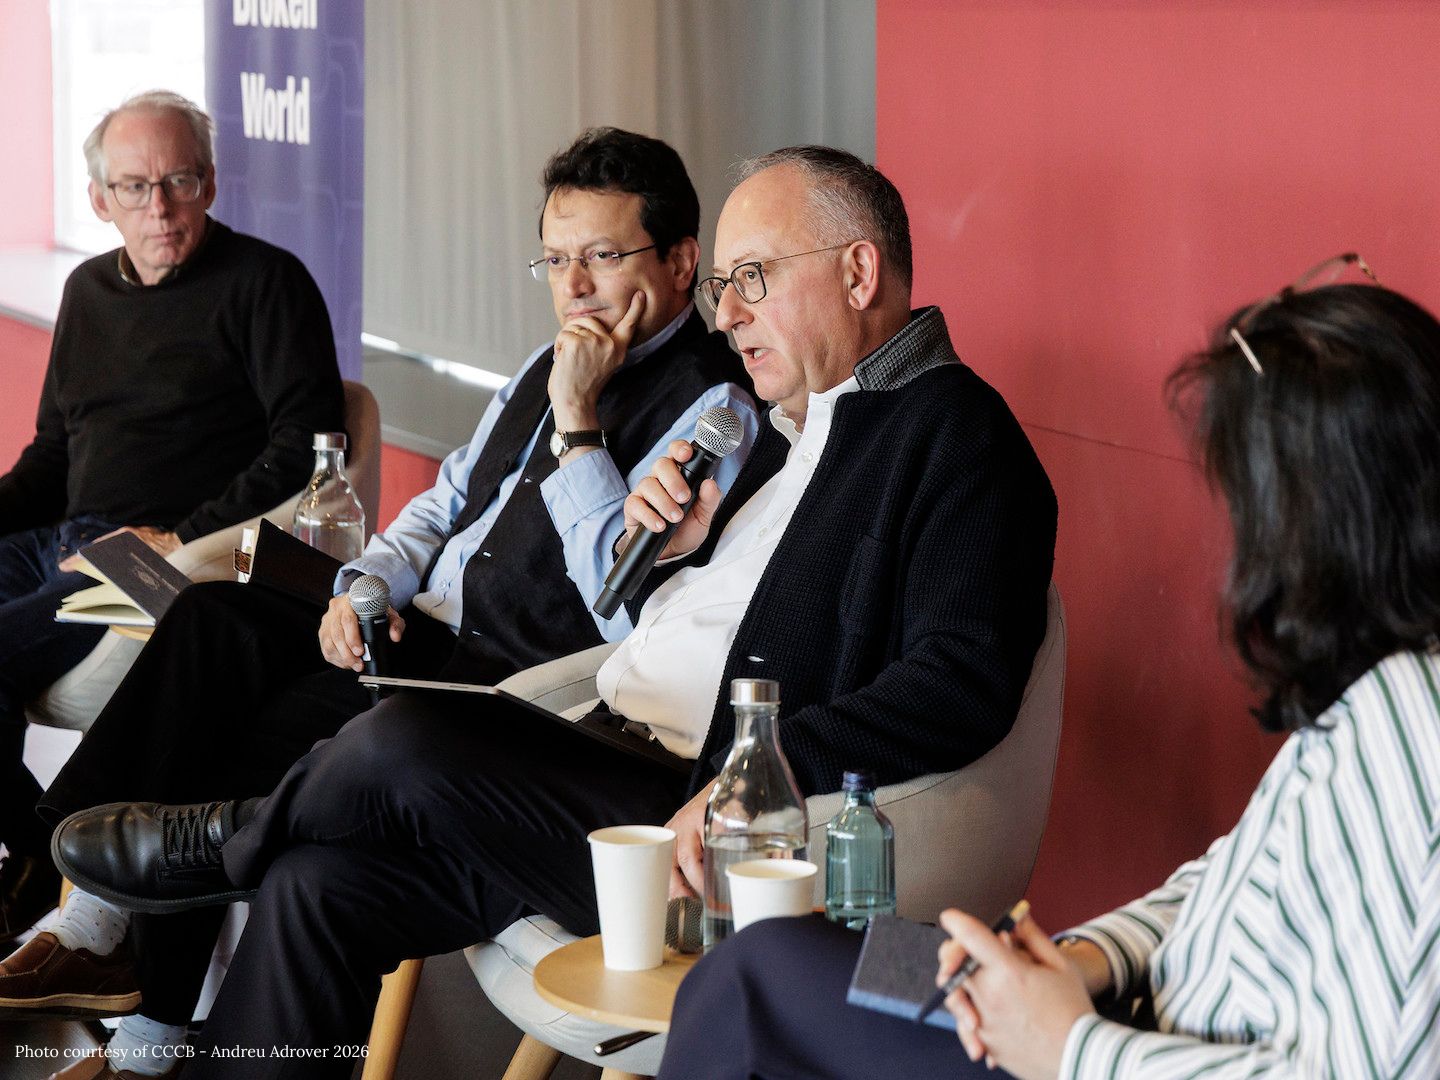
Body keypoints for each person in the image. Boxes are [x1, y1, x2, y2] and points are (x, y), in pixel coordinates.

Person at [52, 145, 1057, 1079]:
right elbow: (696, 626)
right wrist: (671, 554)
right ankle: (245, 863)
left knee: (403, 737)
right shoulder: (797, 431)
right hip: (600, 747)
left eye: (752, 278)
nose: (729, 315)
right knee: (314, 885)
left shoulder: (955, 434)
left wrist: (759, 770)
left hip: (700, 817)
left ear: (859, 273)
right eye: (726, 287)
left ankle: (220, 845)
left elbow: (959, 679)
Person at [0, 128, 757, 1077]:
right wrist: (363, 586)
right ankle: (95, 922)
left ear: (681, 262)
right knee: (214, 621)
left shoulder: (718, 408)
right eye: (556, 260)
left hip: (510, 695)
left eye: (603, 256)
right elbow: (442, 505)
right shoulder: (543, 364)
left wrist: (579, 421)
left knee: (222, 742)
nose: (574, 287)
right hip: (417, 635)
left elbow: (625, 603)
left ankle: (129, 1005)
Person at [656, 258, 1440, 1080]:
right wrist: (1077, 957)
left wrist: (1070, 1044)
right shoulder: (1376, 692)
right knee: (791, 947)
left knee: (754, 977)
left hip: (1101, 1053)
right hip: (1103, 1007)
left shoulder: (1408, 724)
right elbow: (1226, 881)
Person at [0, 89, 343, 946]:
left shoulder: (266, 283)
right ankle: (43, 853)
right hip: (63, 540)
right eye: (135, 186)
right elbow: (53, 456)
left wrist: (182, 538)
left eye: (179, 181)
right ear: (99, 199)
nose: (159, 206)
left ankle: (48, 858)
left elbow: (305, 447)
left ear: (210, 184)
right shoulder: (87, 290)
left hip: (166, 560)